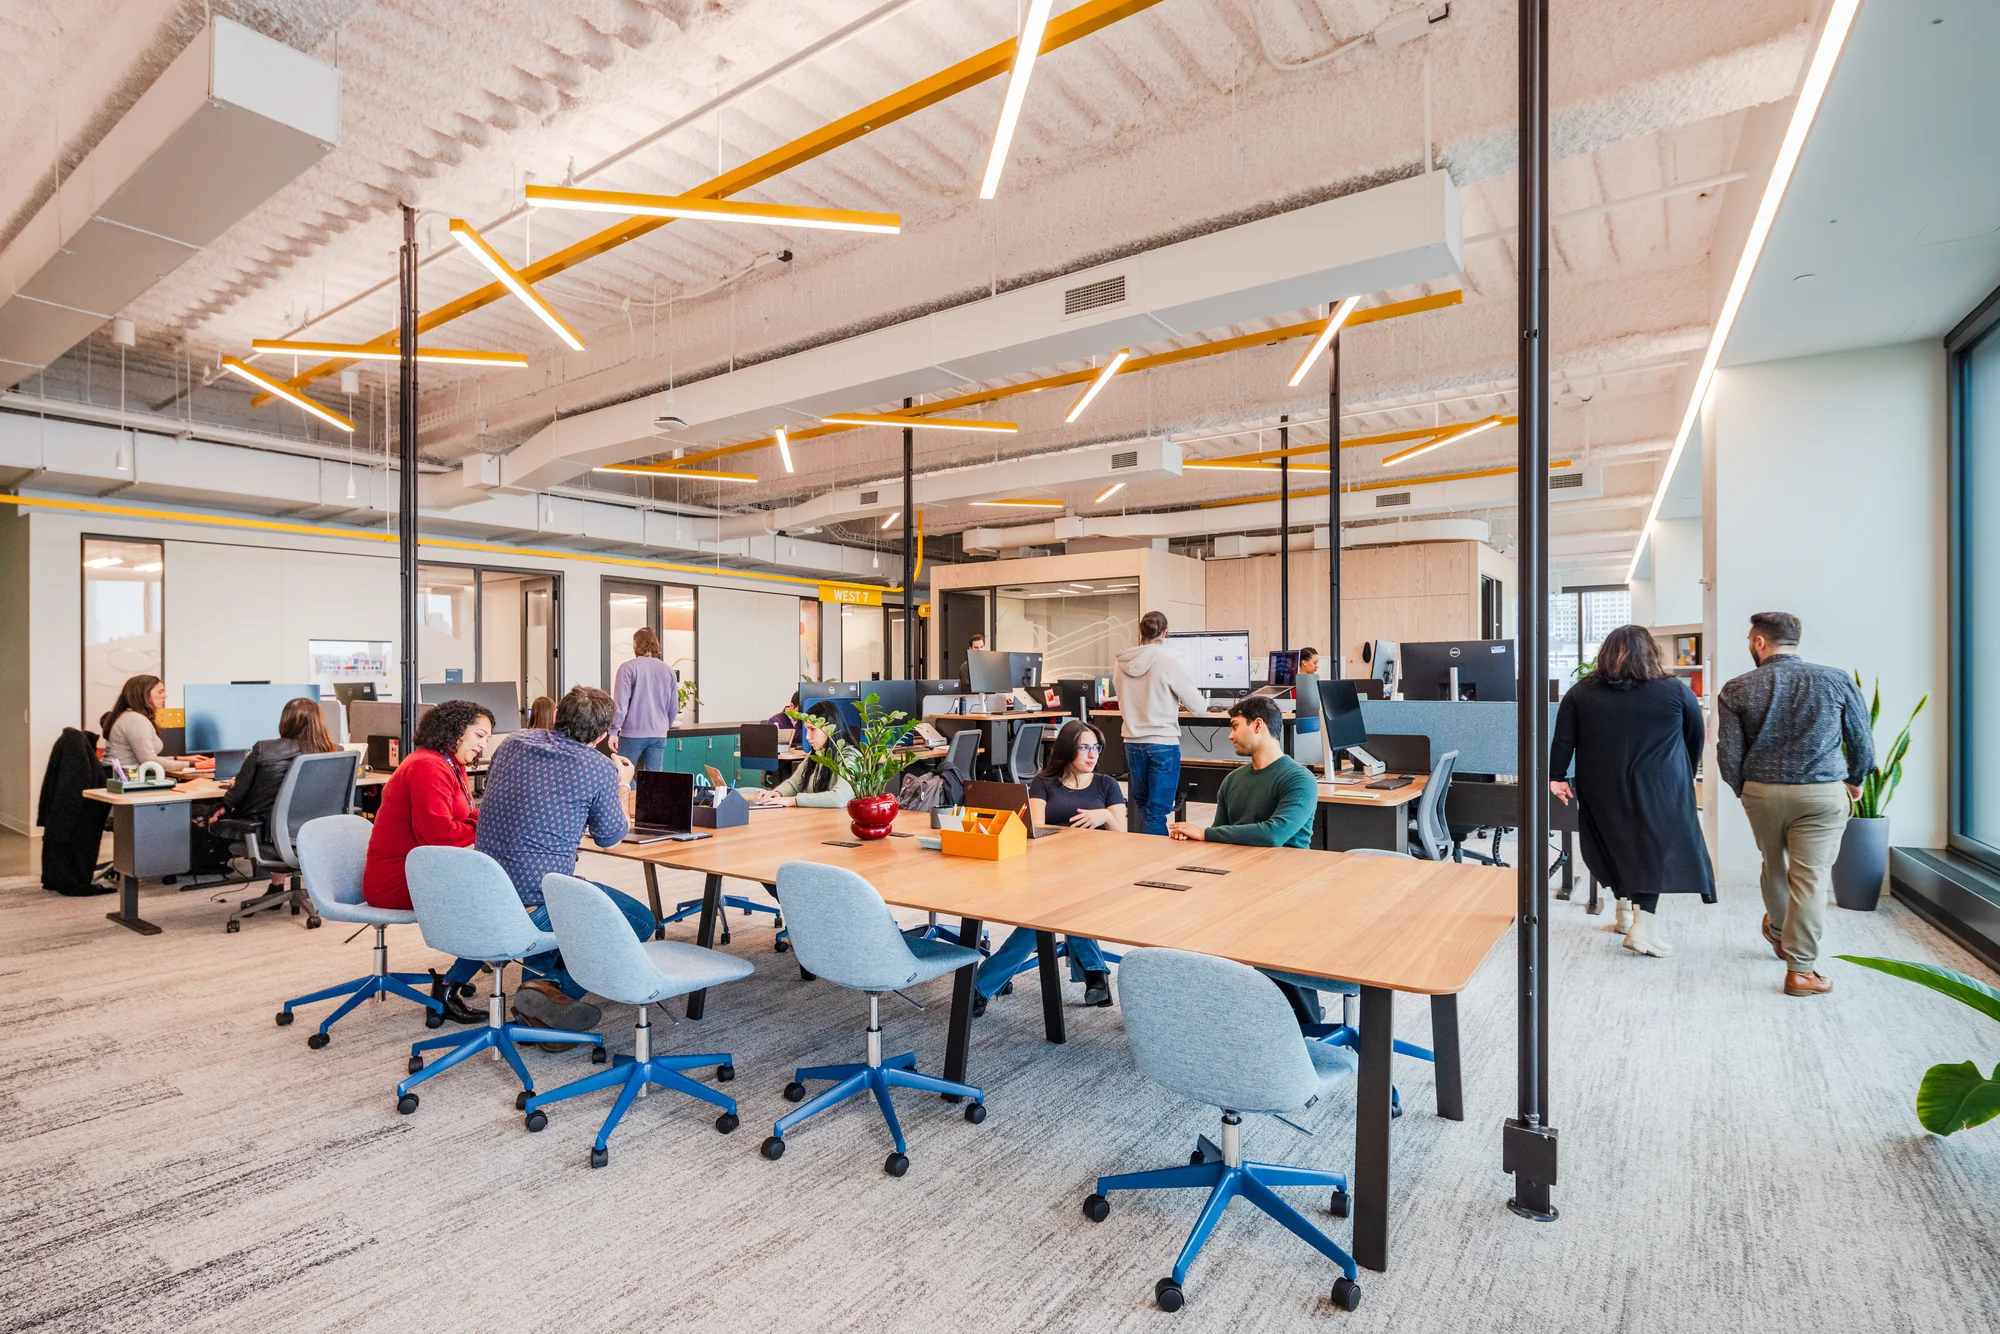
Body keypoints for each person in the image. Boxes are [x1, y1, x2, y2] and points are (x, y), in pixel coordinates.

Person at [455, 686, 654, 1037]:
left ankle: (538, 992)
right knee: (640, 921)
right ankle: (552, 995)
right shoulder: (597, 768)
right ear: (602, 735)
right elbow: (611, 838)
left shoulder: (512, 743)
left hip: (486, 889)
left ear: (557, 716)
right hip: (537, 902)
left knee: (563, 891)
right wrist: (622, 784)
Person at [1717, 611, 1873, 997]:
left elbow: (1727, 754)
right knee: (1811, 878)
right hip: (1821, 793)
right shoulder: (1836, 680)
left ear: (1758, 642)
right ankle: (1801, 971)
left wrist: (1746, 789)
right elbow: (1862, 743)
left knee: (1773, 863)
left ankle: (1776, 930)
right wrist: (1854, 780)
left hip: (1762, 790)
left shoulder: (1737, 688)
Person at [1549, 625, 1714, 959]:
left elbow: (1563, 739)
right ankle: (1644, 928)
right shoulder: (1674, 691)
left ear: (1605, 654)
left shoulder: (1581, 692)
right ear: (1651, 653)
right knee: (1653, 847)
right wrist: (1682, 772)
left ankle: (1625, 914)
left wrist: (1557, 776)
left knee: (1614, 840)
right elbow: (1695, 736)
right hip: (1661, 784)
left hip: (1600, 782)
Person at [971, 721, 1122, 1014]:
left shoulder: (1107, 784)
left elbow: (1123, 833)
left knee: (1047, 916)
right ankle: (1095, 972)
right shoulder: (1044, 783)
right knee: (1060, 905)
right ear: (1067, 750)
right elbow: (1036, 829)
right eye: (1084, 747)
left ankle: (981, 986)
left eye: (1096, 748)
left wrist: (1103, 814)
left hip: (1096, 871)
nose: (1092, 755)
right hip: (1051, 870)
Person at [364, 700, 493, 1021]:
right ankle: (450, 985)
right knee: (496, 897)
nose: (482, 745)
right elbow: (440, 836)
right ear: (455, 730)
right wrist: (483, 823)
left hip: (422, 872)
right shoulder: (427, 766)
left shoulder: (450, 764)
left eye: (487, 740)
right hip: (399, 880)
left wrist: (485, 817)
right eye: (479, 735)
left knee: (498, 890)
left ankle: (479, 958)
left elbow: (462, 817)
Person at [202, 697, 341, 897]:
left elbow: (235, 799)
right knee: (285, 816)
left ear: (284, 721)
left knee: (273, 816)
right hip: (315, 831)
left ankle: (277, 888)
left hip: (271, 833)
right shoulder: (334, 752)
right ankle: (277, 887)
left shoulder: (264, 749)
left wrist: (234, 788)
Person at [1168, 695, 1317, 848]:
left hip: (1284, 868)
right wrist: (1191, 834)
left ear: (1258, 725)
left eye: (1235, 726)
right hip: (1237, 865)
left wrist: (1204, 833)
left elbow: (1273, 835)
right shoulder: (1232, 779)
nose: (1230, 736)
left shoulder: (1300, 780)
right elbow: (1218, 833)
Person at [1114, 611, 1213, 835]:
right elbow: (1199, 708)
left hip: (1132, 742)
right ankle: (1158, 860)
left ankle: (1150, 854)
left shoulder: (1120, 663)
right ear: (1165, 634)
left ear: (1140, 632)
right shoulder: (1167, 662)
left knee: (1143, 807)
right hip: (1162, 744)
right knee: (1157, 812)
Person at [748, 711, 853, 807]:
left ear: (830, 729)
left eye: (812, 729)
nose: (807, 737)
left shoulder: (849, 757)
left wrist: (793, 800)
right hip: (815, 818)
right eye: (806, 730)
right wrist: (778, 793)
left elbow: (839, 798)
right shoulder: (816, 754)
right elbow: (794, 784)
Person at [610, 628, 678, 771]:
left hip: (632, 733)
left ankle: (633, 793)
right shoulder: (668, 670)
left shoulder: (627, 668)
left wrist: (614, 730)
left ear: (635, 644)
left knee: (623, 775)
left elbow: (620, 704)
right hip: (659, 733)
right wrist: (663, 726)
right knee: (654, 780)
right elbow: (673, 707)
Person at [101, 675, 168, 769]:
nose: (165, 696)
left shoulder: (129, 716)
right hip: (124, 778)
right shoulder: (136, 720)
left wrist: (177, 759)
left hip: (121, 776)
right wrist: (191, 765)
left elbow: (147, 759)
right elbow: (149, 761)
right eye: (160, 692)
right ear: (143, 694)